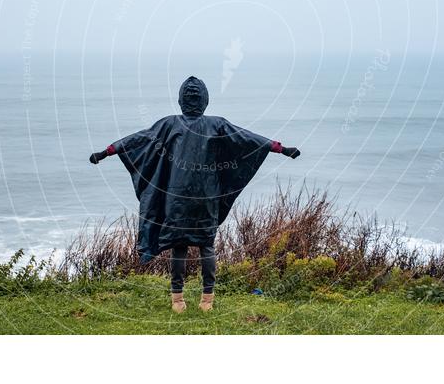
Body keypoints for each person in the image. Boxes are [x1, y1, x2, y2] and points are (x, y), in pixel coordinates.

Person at [89, 75, 300, 313]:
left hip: (176, 198)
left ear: (181, 100)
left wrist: (106, 152)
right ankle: (206, 301)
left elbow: (139, 139)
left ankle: (177, 301)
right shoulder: (217, 124)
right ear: (205, 101)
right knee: (206, 246)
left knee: (179, 246)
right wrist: (282, 149)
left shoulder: (169, 124)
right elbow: (248, 139)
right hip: (206, 198)